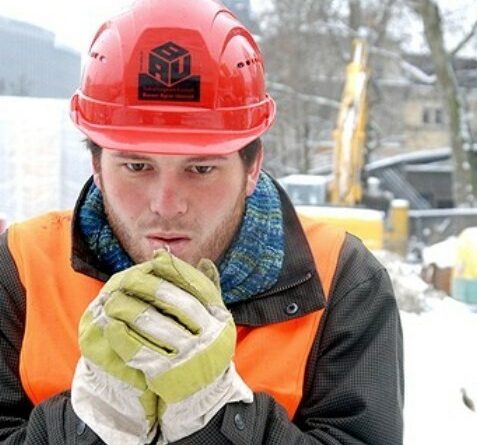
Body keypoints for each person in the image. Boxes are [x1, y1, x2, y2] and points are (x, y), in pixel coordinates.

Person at [0, 0, 404, 443]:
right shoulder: (22, 269)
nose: (166, 204)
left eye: (201, 168)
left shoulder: (341, 280)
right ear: (97, 165)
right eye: (137, 166)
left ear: (252, 167)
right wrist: (88, 424)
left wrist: (215, 415)